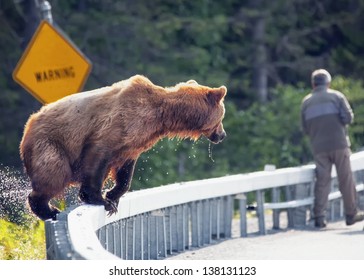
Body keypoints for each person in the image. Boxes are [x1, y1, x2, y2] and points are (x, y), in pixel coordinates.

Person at [301, 69, 364, 228]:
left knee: (322, 181)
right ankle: (351, 214)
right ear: (328, 83)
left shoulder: (306, 102)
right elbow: (348, 118)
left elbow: (305, 128)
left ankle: (319, 217)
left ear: (313, 84)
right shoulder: (337, 96)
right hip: (339, 144)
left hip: (319, 147)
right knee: (346, 179)